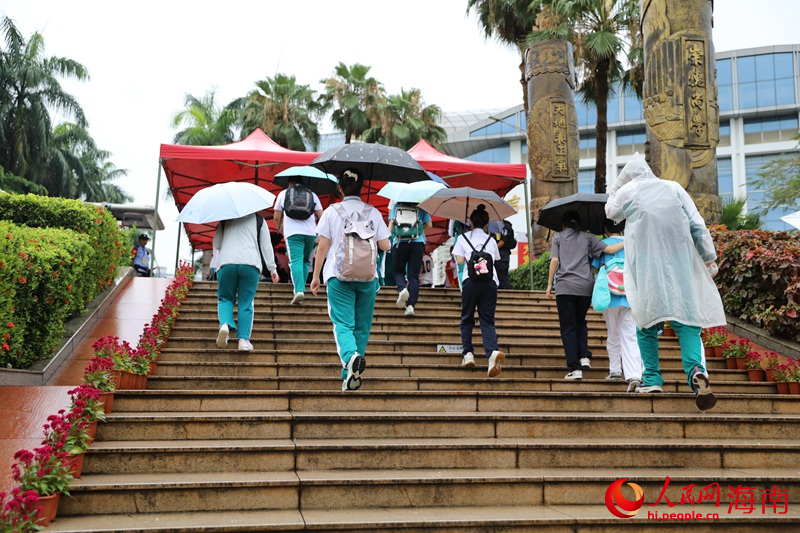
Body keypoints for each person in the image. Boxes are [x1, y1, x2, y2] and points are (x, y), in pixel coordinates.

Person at [605, 153, 724, 411]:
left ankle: (652, 378)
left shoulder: (629, 191)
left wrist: (616, 186)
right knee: (688, 324)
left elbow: (610, 211)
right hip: (680, 265)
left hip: (646, 267)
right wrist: (707, 259)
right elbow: (697, 225)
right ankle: (695, 371)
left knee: (645, 323)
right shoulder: (674, 188)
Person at [310, 169, 391, 392]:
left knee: (342, 323)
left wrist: (316, 276)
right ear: (363, 187)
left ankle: (350, 357)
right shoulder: (373, 212)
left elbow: (323, 246)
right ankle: (349, 375)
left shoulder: (331, 211)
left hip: (338, 275)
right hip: (367, 278)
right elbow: (386, 246)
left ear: (340, 188)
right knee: (362, 327)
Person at [545, 211, 624, 380]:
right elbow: (609, 249)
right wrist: (628, 242)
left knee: (568, 328)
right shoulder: (588, 238)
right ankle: (584, 357)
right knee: (580, 322)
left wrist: (549, 285)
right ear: (579, 224)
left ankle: (574, 368)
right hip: (585, 288)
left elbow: (554, 261)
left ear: (564, 224)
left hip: (565, 288)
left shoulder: (558, 237)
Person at [213, 213, 280, 352]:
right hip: (250, 263)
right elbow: (266, 246)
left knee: (225, 298)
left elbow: (217, 244)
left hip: (226, 263)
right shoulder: (259, 220)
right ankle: (243, 340)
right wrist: (272, 269)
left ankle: (225, 324)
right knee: (246, 302)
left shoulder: (225, 218)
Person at [452, 205, 505, 377]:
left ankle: (468, 354)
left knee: (467, 318)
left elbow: (460, 262)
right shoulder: (491, 240)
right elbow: (495, 259)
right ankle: (491, 353)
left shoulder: (462, 238)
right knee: (487, 320)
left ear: (470, 221)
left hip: (470, 282)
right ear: (487, 223)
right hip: (490, 283)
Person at [591, 219, 644, 391]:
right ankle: (634, 374)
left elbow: (595, 267)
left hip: (610, 296)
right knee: (630, 335)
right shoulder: (630, 242)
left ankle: (615, 370)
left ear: (605, 229)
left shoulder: (602, 244)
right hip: (629, 295)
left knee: (613, 333)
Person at [273, 177, 323, 304]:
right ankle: (302, 288)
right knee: (306, 261)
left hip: (293, 233)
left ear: (289, 183)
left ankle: (299, 291)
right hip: (310, 233)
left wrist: (281, 227)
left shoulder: (283, 193)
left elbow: (276, 216)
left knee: (295, 261)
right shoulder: (312, 194)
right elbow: (321, 215)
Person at [389, 202, 433, 316]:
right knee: (413, 277)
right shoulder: (422, 205)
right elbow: (429, 224)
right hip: (417, 243)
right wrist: (417, 230)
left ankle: (402, 289)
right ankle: (410, 306)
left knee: (398, 271)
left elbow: (390, 227)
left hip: (400, 242)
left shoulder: (397, 205)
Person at [487, 219, 515, 289]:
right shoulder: (491, 226)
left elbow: (503, 241)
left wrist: (492, 250)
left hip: (502, 255)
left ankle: (506, 294)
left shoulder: (505, 226)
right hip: (494, 256)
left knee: (502, 276)